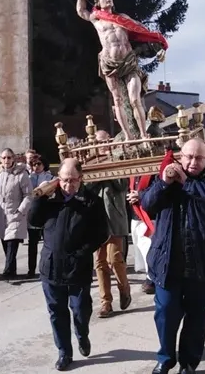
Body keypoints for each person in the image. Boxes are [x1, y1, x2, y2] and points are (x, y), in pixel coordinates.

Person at [141, 138, 205, 374]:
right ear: (180, 156)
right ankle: (165, 358)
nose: (193, 162)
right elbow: (147, 205)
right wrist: (164, 183)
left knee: (196, 315)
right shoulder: (166, 175)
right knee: (165, 312)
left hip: (202, 260)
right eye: (188, 156)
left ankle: (189, 362)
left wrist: (186, 184)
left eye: (199, 157)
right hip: (168, 260)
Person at [30, 158, 110, 371]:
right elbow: (33, 221)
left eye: (73, 181)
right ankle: (64, 352)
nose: (68, 185)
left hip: (77, 268)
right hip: (51, 267)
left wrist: (81, 254)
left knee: (80, 310)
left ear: (81, 179)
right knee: (57, 313)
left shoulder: (91, 201)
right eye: (64, 180)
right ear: (58, 179)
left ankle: (82, 334)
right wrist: (38, 197)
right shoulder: (50, 198)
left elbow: (102, 233)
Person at [76, 0, 168, 140]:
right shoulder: (96, 18)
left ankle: (144, 135)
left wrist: (159, 45)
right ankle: (127, 136)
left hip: (128, 61)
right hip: (109, 63)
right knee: (117, 100)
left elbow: (142, 30)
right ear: (98, 1)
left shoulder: (122, 18)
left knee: (135, 99)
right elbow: (81, 10)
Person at [87, 132, 132, 317]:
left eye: (106, 141)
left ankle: (124, 289)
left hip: (115, 218)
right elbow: (86, 187)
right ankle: (106, 302)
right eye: (99, 142)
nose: (103, 144)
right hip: (96, 220)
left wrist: (108, 168)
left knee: (114, 259)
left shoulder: (119, 158)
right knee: (99, 262)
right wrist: (96, 171)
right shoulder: (89, 161)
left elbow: (122, 185)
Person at [0, 148, 33, 279]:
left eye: (9, 157)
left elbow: (29, 194)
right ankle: (12, 270)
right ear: (0, 159)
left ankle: (7, 271)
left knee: (12, 243)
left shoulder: (21, 175)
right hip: (0, 215)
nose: (6, 160)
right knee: (5, 243)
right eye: (4, 158)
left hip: (15, 214)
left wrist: (21, 210)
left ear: (14, 159)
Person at [26, 154, 55, 278]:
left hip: (46, 213)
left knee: (48, 243)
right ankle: (31, 269)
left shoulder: (50, 177)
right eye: (34, 164)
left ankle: (49, 268)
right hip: (32, 212)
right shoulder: (28, 178)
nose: (36, 166)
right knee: (32, 244)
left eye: (39, 164)